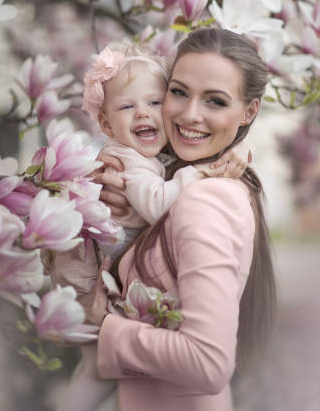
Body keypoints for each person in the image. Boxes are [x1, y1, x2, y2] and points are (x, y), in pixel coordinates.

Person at [51, 41, 252, 411]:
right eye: (128, 106)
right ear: (107, 123)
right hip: (91, 281)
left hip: (173, 391)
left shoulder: (199, 196)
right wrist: (200, 171)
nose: (144, 113)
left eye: (155, 102)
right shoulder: (130, 162)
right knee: (92, 375)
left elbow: (207, 362)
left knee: (92, 375)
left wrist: (235, 150)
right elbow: (158, 200)